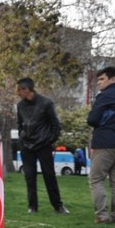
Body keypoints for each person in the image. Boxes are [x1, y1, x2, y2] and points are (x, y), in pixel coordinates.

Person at [16, 77, 70, 214]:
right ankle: (32, 207)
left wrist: (48, 141)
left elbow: (56, 126)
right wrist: (21, 137)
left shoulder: (46, 103)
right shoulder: (20, 106)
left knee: (49, 175)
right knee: (29, 176)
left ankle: (58, 205)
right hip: (26, 146)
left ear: (27, 89)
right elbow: (19, 124)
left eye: (19, 90)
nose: (17, 93)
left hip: (43, 145)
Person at [86, 66, 115, 224]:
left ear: (113, 79)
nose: (98, 83)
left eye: (102, 79)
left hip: (105, 143)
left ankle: (102, 216)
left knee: (96, 179)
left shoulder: (105, 96)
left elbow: (92, 119)